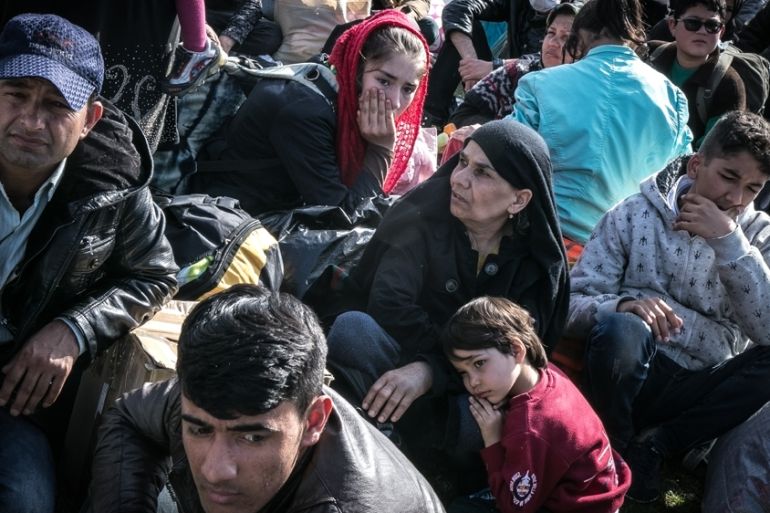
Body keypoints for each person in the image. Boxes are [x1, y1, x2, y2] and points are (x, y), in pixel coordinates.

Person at [324, 119, 569, 496]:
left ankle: (403, 442)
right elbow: (389, 305)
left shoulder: (532, 267)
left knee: (482, 417)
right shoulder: (422, 219)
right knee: (353, 330)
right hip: (401, 359)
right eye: (463, 162)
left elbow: (513, 355)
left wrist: (431, 373)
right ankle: (403, 441)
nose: (459, 179)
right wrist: (424, 366)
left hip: (473, 389)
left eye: (482, 173)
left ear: (519, 200)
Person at [0, 13, 178, 513]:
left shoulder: (114, 184)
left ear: (91, 120)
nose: (31, 121)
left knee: (27, 501)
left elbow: (155, 273)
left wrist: (72, 330)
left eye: (57, 105)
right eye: (16, 95)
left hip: (11, 396)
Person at [87, 285, 446, 513]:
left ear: (314, 422)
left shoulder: (351, 504)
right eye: (199, 431)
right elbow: (130, 416)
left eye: (252, 437)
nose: (215, 470)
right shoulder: (210, 402)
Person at [565, 111, 770, 503]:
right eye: (728, 176)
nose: (736, 198)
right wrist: (624, 306)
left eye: (752, 188)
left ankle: (659, 444)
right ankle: (614, 441)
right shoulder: (632, 213)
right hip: (627, 371)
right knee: (623, 329)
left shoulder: (759, 234)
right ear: (696, 166)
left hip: (702, 384)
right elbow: (572, 303)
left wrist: (730, 243)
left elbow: (767, 330)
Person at [188, 9, 429, 216]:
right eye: (384, 81)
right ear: (357, 68)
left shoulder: (334, 84)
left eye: (408, 89)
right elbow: (343, 216)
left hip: (276, 204)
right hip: (229, 214)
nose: (395, 102)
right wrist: (381, 150)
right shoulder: (306, 110)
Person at [512, 0, 693, 261]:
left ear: (580, 36)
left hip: (547, 242)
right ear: (632, 36)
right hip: (625, 253)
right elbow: (682, 181)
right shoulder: (672, 97)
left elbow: (508, 158)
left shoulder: (539, 84)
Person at [442, 296, 630, 513]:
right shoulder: (547, 372)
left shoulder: (530, 427)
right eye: (463, 373)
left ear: (516, 350)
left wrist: (492, 440)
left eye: (479, 363)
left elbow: (514, 507)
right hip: (599, 487)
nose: (472, 382)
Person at [423, 0, 555, 127]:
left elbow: (551, 62)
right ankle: (430, 119)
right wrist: (471, 63)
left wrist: (496, 67)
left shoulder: (567, 16)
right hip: (503, 84)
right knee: (464, 30)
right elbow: (457, 9)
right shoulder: (518, 3)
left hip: (539, 101)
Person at [449, 1, 578, 127]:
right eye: (551, 33)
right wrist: (471, 62)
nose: (552, 43)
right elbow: (462, 114)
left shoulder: (581, 90)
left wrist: (495, 66)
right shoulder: (514, 73)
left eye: (566, 38)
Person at [648, 0, 747, 146]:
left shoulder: (728, 83)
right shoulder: (649, 55)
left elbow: (714, 148)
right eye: (692, 23)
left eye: (712, 25)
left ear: (721, 32)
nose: (702, 31)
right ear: (672, 25)